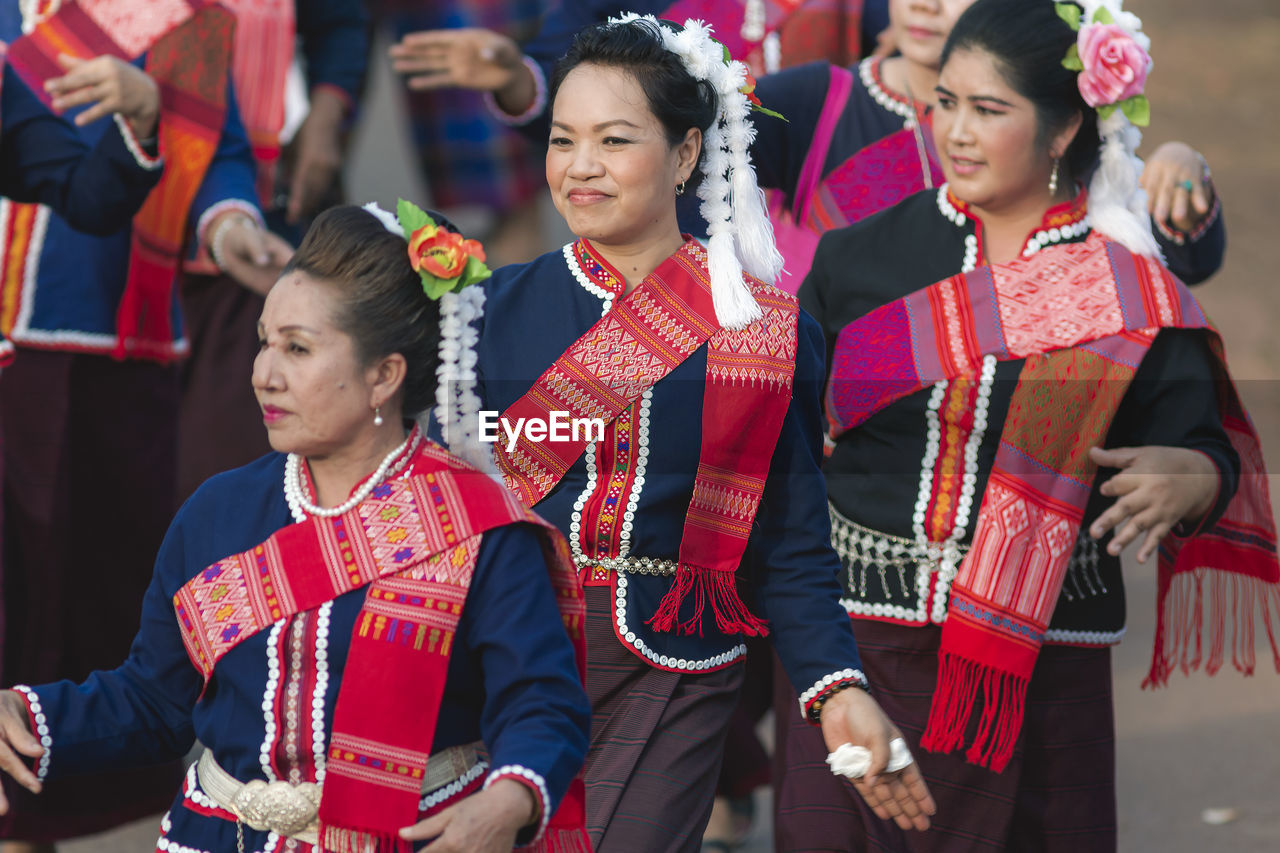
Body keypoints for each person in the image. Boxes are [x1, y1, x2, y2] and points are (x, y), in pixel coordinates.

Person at [793, 0, 1278, 849]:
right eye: (946, 102)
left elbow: (1206, 450)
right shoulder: (857, 258)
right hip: (861, 652)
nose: (956, 132)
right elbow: (789, 451)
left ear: (1061, 133)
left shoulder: (1128, 290)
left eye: (989, 110)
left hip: (1044, 666)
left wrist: (1194, 475)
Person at [454, 17, 936, 851]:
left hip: (671, 670)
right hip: (512, 656)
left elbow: (789, 538)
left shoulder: (764, 331)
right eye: (563, 140)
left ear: (684, 155)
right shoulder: (489, 313)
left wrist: (835, 686)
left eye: (614, 139)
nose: (580, 166)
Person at [0, 204, 593, 852]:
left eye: (297, 348)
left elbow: (540, 702)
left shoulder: (477, 526)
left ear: (383, 375)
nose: (264, 373)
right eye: (264, 340)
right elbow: (152, 701)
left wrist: (506, 801)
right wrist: (23, 713)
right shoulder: (217, 513)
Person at [0, 1, 290, 843]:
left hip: (105, 340)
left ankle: (37, 814)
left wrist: (230, 225)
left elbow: (217, 153)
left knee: (75, 597)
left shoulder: (174, 17)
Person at [749, 0, 1225, 289]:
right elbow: (690, 144)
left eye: (987, 110)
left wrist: (1181, 172)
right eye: (949, 105)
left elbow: (1175, 263)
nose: (924, 7)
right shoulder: (819, 102)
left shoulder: (1045, 120)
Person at [177, 0, 370, 502]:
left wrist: (325, 120)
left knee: (228, 454)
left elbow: (339, 21)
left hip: (256, 212)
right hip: (116, 228)